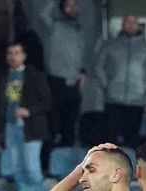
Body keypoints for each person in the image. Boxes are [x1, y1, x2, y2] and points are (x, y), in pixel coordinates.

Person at [95, 15, 146, 146]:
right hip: (113, 99)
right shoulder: (110, 45)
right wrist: (106, 84)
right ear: (123, 24)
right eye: (127, 22)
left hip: (136, 100)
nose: (131, 25)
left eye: (134, 22)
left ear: (138, 25)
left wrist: (145, 88)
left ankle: (129, 165)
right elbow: (99, 66)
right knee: (110, 139)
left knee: (132, 138)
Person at [29, 0, 85, 147]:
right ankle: (48, 163)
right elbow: (42, 15)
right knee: (53, 124)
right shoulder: (53, 26)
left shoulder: (78, 29)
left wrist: (82, 71)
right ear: (62, 8)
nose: (72, 8)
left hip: (74, 83)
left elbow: (79, 54)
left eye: (74, 5)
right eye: (68, 5)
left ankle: (68, 161)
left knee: (70, 124)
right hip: (56, 81)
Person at [0, 42, 50, 188]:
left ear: (24, 56)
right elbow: (0, 106)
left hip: (30, 128)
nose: (13, 57)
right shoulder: (4, 77)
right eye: (10, 53)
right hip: (10, 126)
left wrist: (29, 111)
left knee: (31, 166)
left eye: (17, 53)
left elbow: (48, 101)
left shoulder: (35, 75)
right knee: (16, 168)